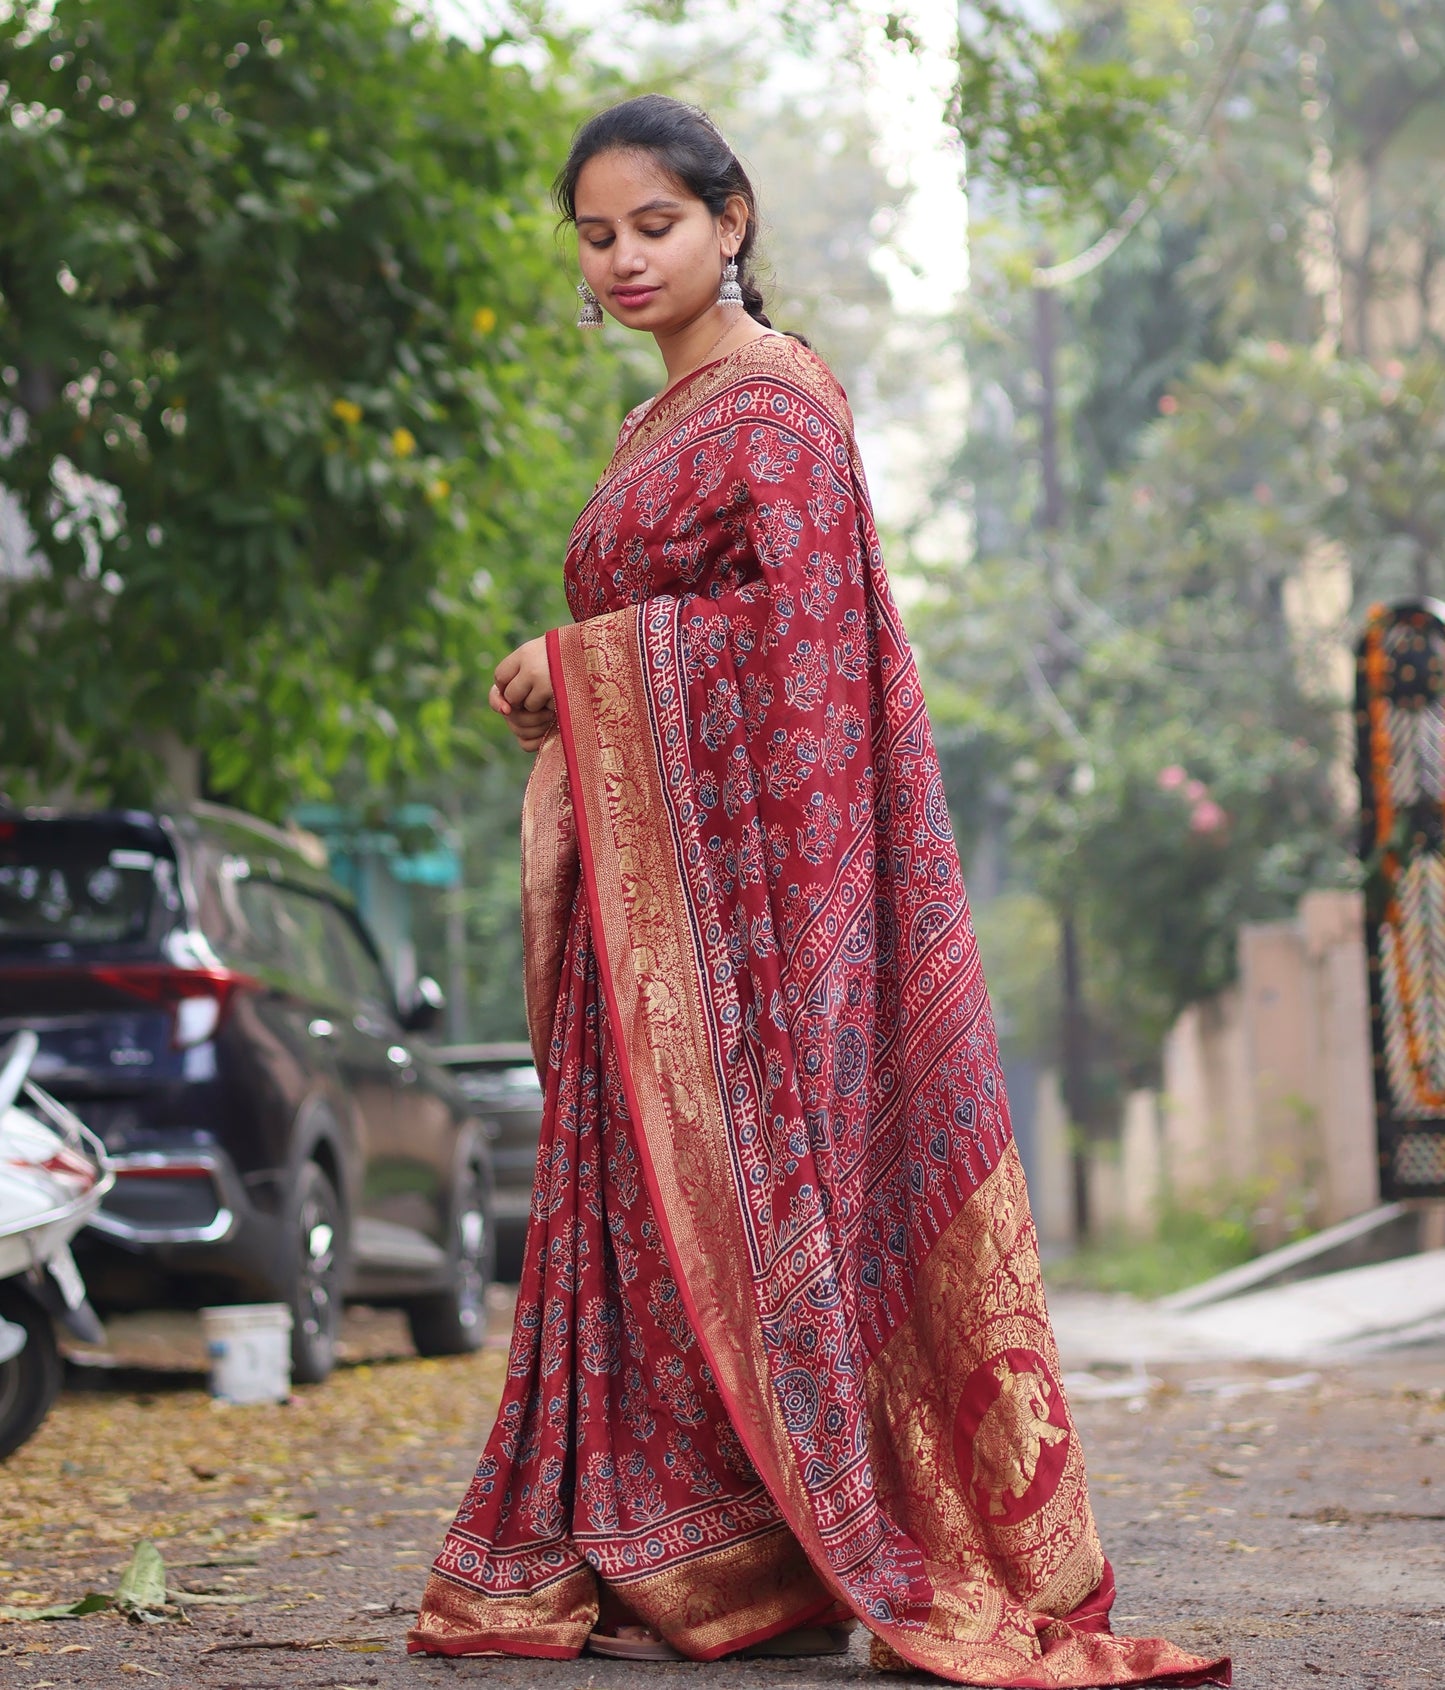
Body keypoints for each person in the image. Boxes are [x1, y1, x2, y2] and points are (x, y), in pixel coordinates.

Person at [409, 94, 1229, 1687]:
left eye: (655, 224)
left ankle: (775, 1541)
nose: (625, 257)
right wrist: (569, 693)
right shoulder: (663, 419)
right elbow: (695, 611)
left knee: (749, 1229)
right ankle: (690, 1548)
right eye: (596, 235)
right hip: (662, 912)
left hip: (761, 914)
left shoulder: (775, 406)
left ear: (733, 221)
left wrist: (585, 663)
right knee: (650, 1234)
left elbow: (800, 662)